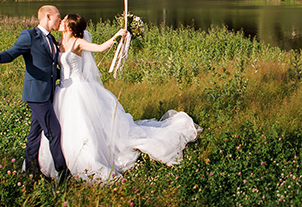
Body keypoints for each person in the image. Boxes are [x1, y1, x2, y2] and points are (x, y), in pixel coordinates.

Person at [36, 13, 201, 182]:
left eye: (64, 20)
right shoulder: (58, 42)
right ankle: (60, 158)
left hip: (78, 90)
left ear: (70, 27)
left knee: (82, 125)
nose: (61, 22)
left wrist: (116, 36)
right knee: (61, 126)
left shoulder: (79, 42)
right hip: (63, 90)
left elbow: (99, 48)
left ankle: (88, 159)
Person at [0, 5, 71, 182]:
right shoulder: (29, 36)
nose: (60, 20)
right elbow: (12, 53)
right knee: (54, 132)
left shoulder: (52, 39)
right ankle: (63, 175)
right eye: (58, 17)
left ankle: (31, 171)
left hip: (49, 92)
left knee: (34, 133)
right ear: (48, 16)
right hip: (36, 94)